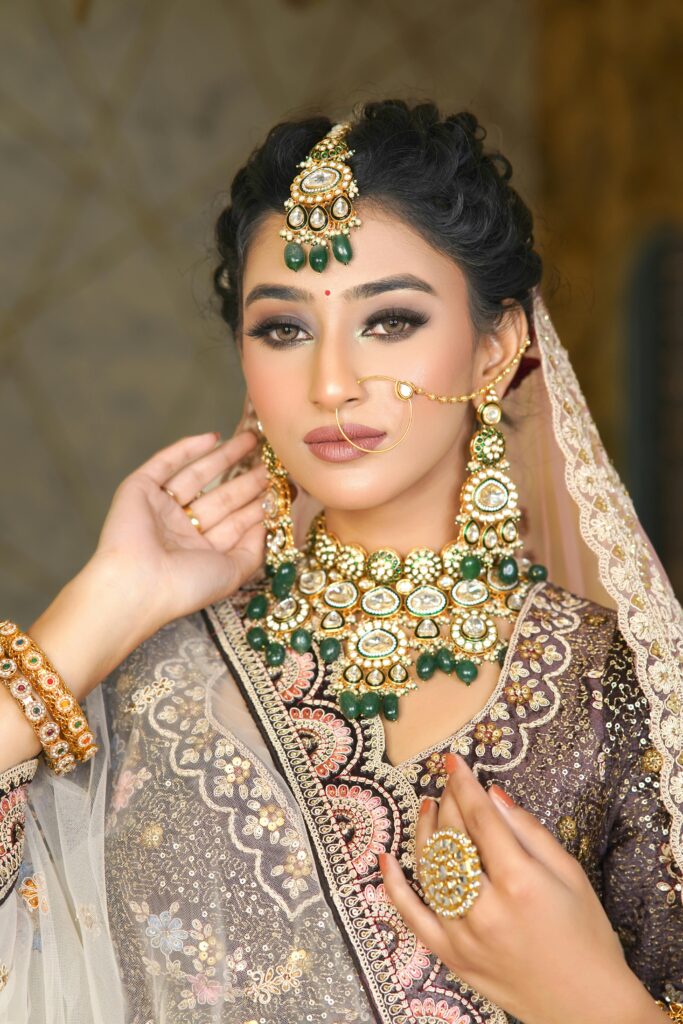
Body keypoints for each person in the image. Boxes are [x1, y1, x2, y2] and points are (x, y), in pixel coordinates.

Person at [0, 99, 681, 1024]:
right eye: (282, 329)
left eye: (390, 321)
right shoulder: (154, 668)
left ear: (497, 346)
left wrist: (591, 1001)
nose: (329, 382)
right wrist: (105, 602)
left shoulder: (616, 688)